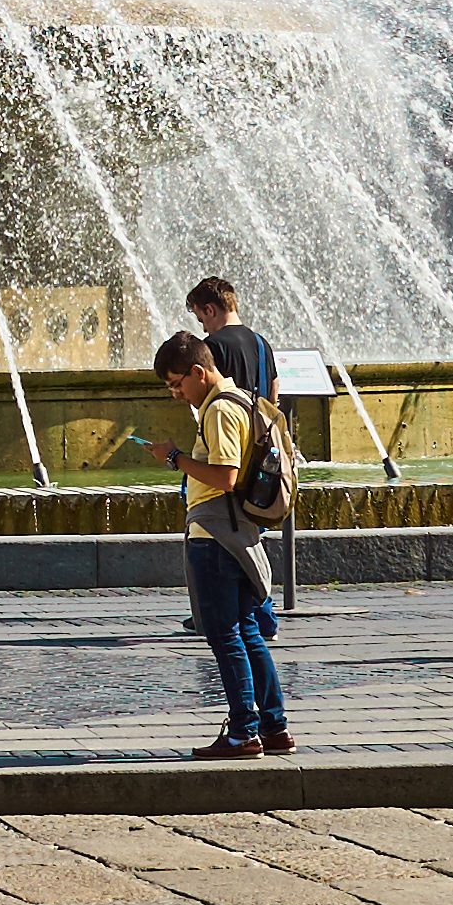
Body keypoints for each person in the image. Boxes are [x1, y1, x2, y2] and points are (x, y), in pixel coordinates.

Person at [134, 332, 288, 758]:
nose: (175, 392)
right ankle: (274, 727)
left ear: (198, 372)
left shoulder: (219, 409)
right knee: (249, 632)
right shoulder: (241, 398)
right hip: (238, 533)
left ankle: (243, 731)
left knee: (225, 635)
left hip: (216, 536)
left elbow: (224, 475)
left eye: (176, 383)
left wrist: (173, 458)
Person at [183, 277, 289, 605]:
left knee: (220, 536)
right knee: (250, 537)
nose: (203, 325)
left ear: (211, 309)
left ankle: (238, 612)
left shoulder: (211, 348)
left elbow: (205, 400)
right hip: (258, 455)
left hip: (227, 451)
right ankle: (256, 611)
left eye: (202, 318)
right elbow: (273, 396)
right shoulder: (261, 343)